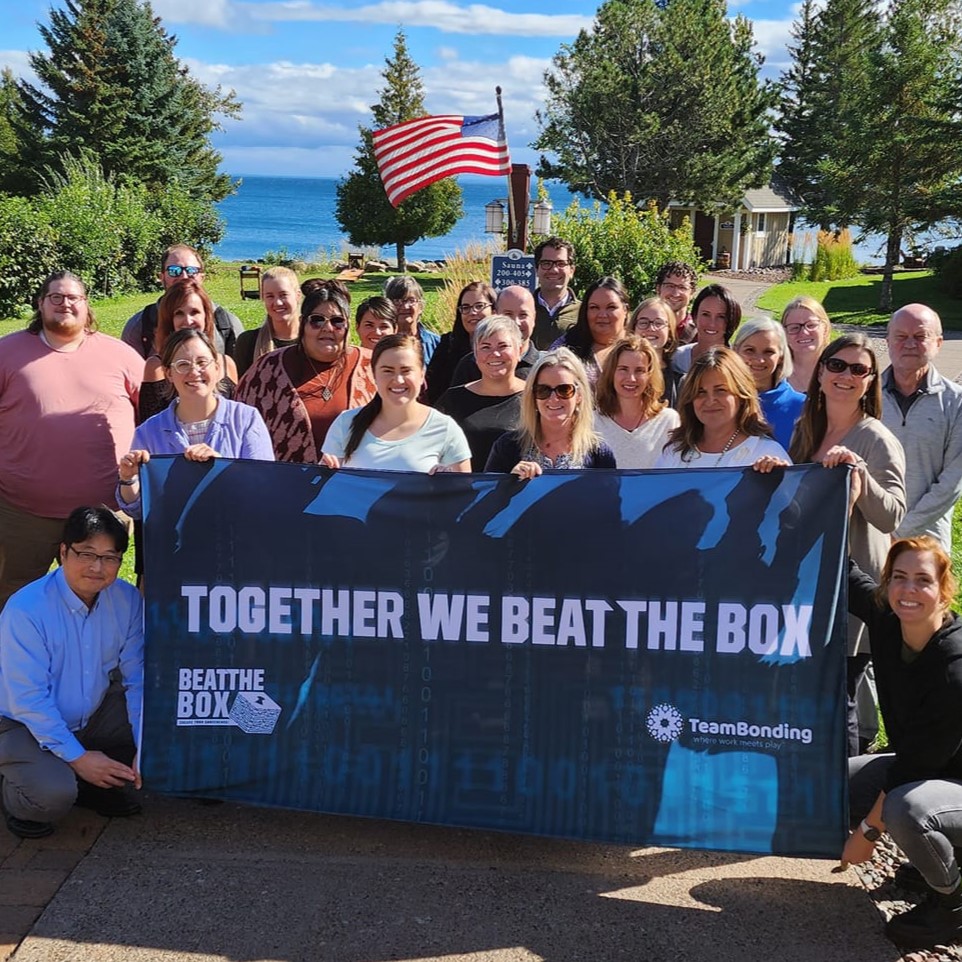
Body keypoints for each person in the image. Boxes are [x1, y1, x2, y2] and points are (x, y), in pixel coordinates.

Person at [789, 334, 906, 755]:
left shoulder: (875, 439)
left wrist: (861, 476)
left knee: (843, 699)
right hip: (809, 585)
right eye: (837, 365)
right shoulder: (805, 431)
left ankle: (848, 799)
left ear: (870, 381)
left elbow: (892, 514)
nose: (845, 376)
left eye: (859, 369)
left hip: (854, 592)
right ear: (819, 372)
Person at [843, 536, 962, 950]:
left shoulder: (954, 668)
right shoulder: (888, 617)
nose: (908, 590)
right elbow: (842, 571)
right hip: (933, 769)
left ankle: (952, 900)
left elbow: (912, 770)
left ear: (944, 589)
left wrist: (866, 834)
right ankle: (934, 863)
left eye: (922, 580)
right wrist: (832, 495)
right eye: (899, 577)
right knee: (843, 782)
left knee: (903, 810)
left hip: (948, 781)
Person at [0, 272, 142, 612]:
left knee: (98, 600)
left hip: (104, 511)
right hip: (21, 512)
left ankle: (97, 664)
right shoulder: (7, 352)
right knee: (13, 597)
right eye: (57, 297)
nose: (66, 304)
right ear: (41, 304)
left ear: (86, 304)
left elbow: (156, 411)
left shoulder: (119, 355)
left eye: (74, 298)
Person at [0, 507, 143, 839]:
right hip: (18, 721)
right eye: (87, 554)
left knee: (155, 725)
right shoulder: (27, 609)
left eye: (110, 557)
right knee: (50, 797)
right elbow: (28, 700)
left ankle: (85, 779)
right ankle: (15, 785)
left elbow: (138, 678)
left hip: (88, 714)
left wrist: (144, 746)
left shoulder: (127, 599)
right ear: (63, 552)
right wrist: (78, 758)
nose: (98, 567)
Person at [116, 329, 275, 519]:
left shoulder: (246, 419)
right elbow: (137, 510)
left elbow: (264, 489)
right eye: (182, 365)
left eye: (202, 362)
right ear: (168, 374)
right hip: (175, 545)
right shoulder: (148, 432)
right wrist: (128, 478)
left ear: (217, 368)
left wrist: (221, 467)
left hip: (237, 540)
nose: (194, 372)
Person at [236, 286, 375, 462]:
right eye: (317, 320)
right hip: (286, 484)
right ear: (303, 323)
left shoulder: (373, 366)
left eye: (337, 321)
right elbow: (238, 427)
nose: (327, 328)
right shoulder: (267, 370)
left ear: (347, 325)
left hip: (358, 484)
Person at [322, 334, 471, 473]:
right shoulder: (346, 423)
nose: (398, 380)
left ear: (421, 374)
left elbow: (464, 495)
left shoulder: (445, 429)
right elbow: (325, 493)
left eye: (406, 371)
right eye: (388, 371)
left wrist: (447, 483)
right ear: (374, 374)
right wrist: (324, 472)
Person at [881, 303, 962, 551]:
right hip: (871, 537)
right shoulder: (864, 394)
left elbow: (952, 482)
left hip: (928, 543)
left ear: (938, 343)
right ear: (887, 341)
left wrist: (901, 531)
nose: (909, 344)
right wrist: (881, 531)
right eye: (901, 336)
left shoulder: (956, 402)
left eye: (920, 336)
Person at [485, 348, 616, 476]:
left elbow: (609, 497)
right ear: (533, 396)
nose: (553, 398)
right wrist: (507, 482)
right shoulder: (507, 447)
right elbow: (486, 496)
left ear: (579, 395)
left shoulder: (598, 453)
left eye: (564, 390)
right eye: (543, 390)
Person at [654, 347, 790, 468]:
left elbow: (790, 496)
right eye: (701, 392)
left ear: (741, 394)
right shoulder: (674, 452)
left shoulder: (765, 454)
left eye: (721, 390)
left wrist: (780, 478)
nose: (710, 400)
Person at [139, 281, 239, 422]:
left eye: (195, 312)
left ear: (206, 316)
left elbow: (236, 419)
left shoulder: (226, 364)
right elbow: (149, 428)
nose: (188, 320)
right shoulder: (156, 367)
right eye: (179, 313)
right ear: (169, 320)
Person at [121, 244, 243, 359]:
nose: (184, 276)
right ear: (162, 277)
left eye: (191, 270)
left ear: (202, 277)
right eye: (174, 270)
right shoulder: (139, 326)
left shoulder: (227, 324)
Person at [436, 316, 526, 471]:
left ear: (519, 350)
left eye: (503, 346)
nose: (495, 354)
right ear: (475, 354)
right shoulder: (452, 401)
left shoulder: (538, 399)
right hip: (465, 492)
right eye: (485, 347)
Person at [594, 335, 680, 469]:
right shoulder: (592, 421)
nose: (631, 378)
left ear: (650, 375)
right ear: (611, 373)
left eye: (639, 370)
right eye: (623, 369)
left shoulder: (669, 421)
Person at [733, 317, 806, 448]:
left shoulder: (802, 407)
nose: (759, 360)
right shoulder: (721, 400)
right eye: (749, 350)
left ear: (781, 357)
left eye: (768, 352)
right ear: (735, 351)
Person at [449, 285, 541, 385]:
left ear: (534, 317)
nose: (516, 322)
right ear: (495, 315)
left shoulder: (544, 366)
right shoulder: (470, 365)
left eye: (523, 315)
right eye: (508, 314)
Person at [425, 281, 496, 404]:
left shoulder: (503, 349)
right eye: (465, 307)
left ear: (494, 310)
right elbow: (432, 389)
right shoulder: (447, 346)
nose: (472, 312)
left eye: (479, 306)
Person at [553, 276, 629, 384]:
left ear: (625, 309)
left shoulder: (639, 347)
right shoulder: (564, 348)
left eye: (611, 307)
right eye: (594, 307)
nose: (602, 315)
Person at [234, 266, 302, 378]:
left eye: (283, 295)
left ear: (297, 295)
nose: (278, 302)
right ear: (263, 298)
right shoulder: (248, 342)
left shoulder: (313, 340)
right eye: (270, 296)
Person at [671, 284, 741, 376]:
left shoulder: (739, 363)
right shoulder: (678, 359)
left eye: (721, 317)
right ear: (695, 316)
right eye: (705, 314)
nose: (712, 323)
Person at [628, 295, 682, 406]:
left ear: (670, 331)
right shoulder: (618, 374)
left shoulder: (680, 383)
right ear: (633, 328)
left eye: (659, 323)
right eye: (643, 322)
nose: (651, 328)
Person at [532, 236, 579, 349]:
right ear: (536, 270)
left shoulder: (584, 312)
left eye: (561, 264)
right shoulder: (522, 310)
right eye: (546, 263)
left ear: (571, 270)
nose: (554, 270)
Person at [780, 296, 832, 394]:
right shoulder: (775, 372)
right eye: (794, 327)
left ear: (825, 328)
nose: (804, 332)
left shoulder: (838, 370)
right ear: (784, 333)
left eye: (811, 325)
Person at [384, 276, 440, 366]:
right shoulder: (381, 343)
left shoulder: (437, 344)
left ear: (421, 306)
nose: (405, 306)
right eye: (397, 301)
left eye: (411, 300)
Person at [654, 260, 698, 344]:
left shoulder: (698, 334)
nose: (675, 293)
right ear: (658, 289)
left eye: (682, 287)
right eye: (670, 286)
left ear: (692, 293)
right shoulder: (644, 329)